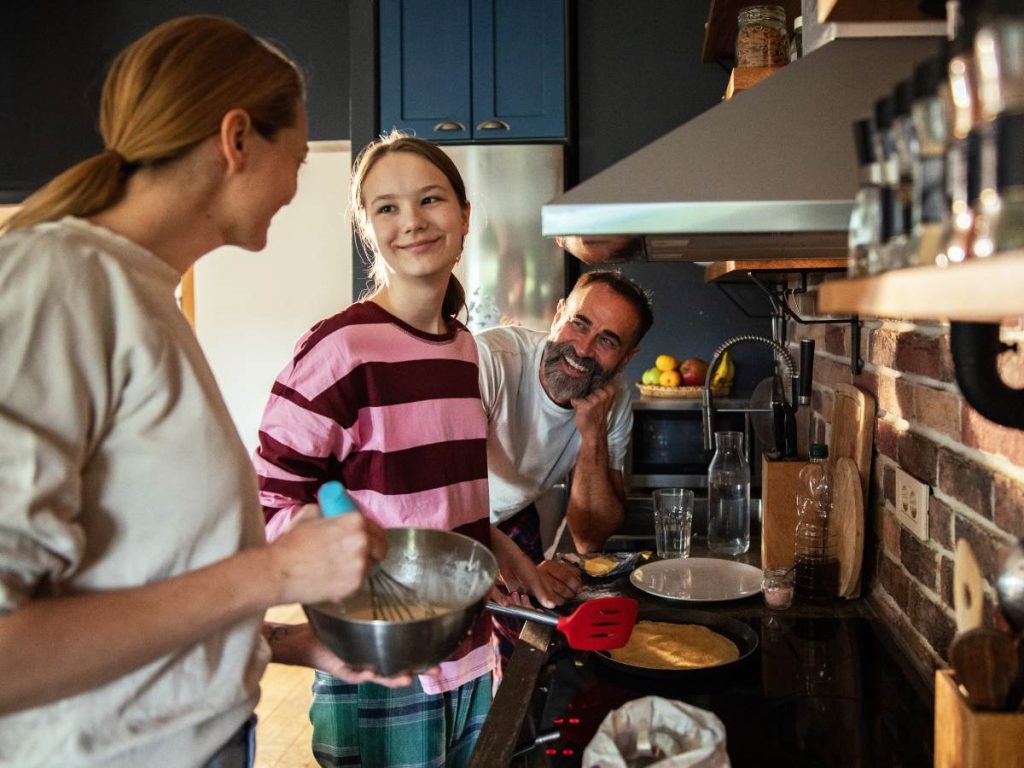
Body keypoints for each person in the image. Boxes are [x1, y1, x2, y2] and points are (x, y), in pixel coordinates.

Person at [0, 16, 411, 768]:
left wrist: (287, 643)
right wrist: (280, 571)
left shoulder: (140, 291)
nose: (293, 186)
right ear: (236, 140)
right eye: (296, 157)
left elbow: (133, 579)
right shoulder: (60, 283)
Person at [251, 132, 551, 768]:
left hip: (471, 653)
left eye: (430, 199)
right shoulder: (340, 351)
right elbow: (268, 500)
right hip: (377, 667)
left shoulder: (464, 350)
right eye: (386, 207)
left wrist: (507, 554)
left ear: (465, 215)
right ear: (367, 229)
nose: (411, 221)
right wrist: (340, 558)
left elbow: (439, 494)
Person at [475, 269, 654, 664]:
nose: (584, 349)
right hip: (442, 515)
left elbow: (591, 537)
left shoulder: (614, 399)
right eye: (579, 323)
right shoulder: (490, 361)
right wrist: (496, 561)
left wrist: (592, 436)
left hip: (508, 516)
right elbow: (435, 488)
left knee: (526, 656)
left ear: (627, 358)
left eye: (607, 340)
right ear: (558, 315)